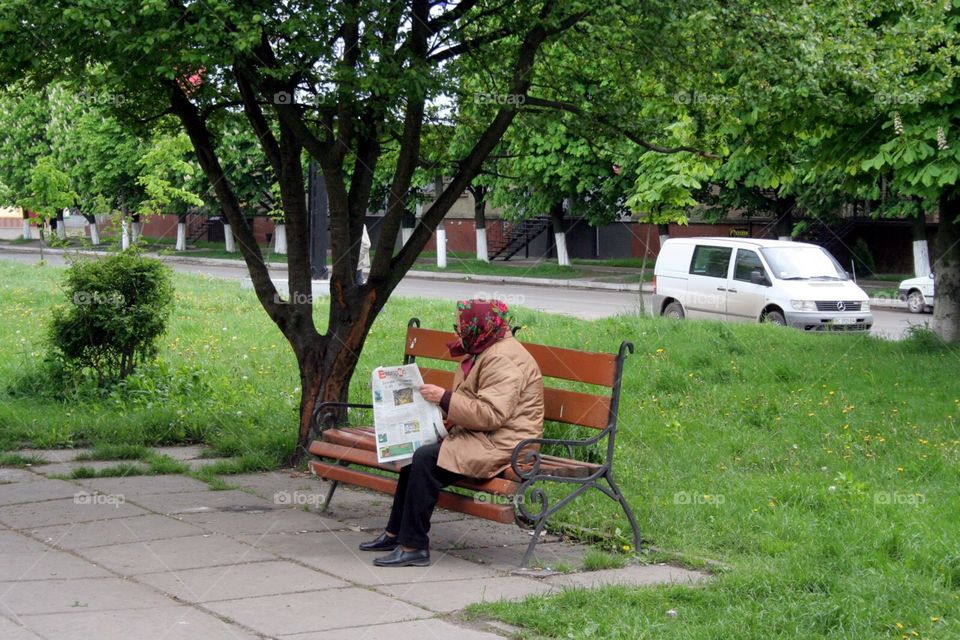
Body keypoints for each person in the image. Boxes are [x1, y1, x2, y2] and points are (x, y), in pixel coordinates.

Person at [360, 299, 545, 567]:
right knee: (415, 455)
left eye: (461, 328)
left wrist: (444, 398)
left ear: (478, 327)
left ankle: (414, 547)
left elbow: (491, 414)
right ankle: (396, 534)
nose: (457, 333)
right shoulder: (485, 348)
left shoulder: (504, 359)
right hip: (481, 435)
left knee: (424, 460)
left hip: (505, 444)